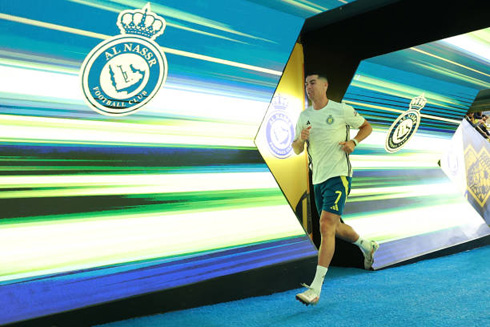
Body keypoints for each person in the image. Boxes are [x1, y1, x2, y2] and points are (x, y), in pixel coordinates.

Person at [292, 73, 379, 306]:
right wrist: (300, 139)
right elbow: (296, 150)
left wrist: (353, 142)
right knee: (335, 226)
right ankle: (366, 245)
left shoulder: (340, 110)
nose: (308, 87)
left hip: (338, 176)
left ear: (324, 85)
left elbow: (367, 127)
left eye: (312, 82)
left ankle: (316, 288)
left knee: (325, 226)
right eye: (306, 84)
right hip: (318, 179)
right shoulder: (304, 116)